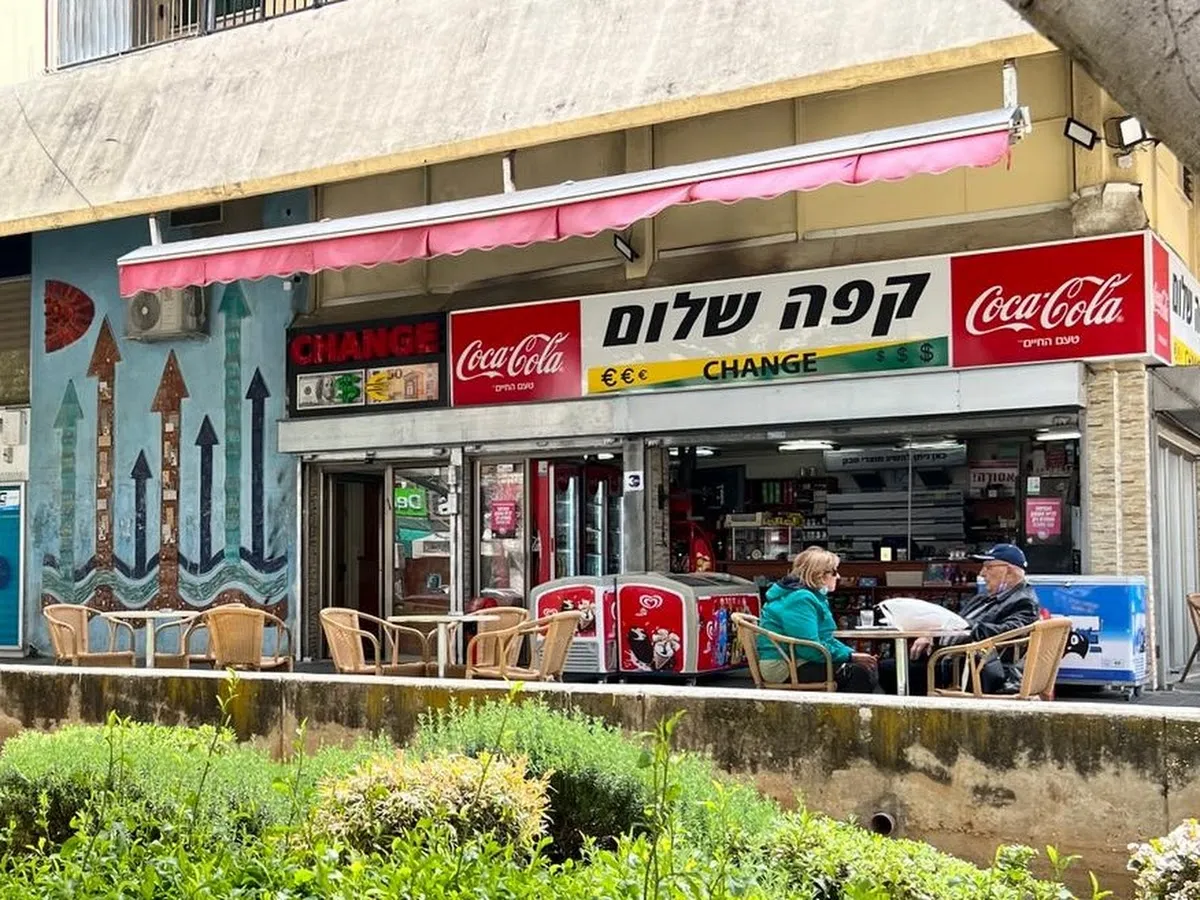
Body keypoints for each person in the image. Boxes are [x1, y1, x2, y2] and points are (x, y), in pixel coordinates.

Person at [878, 543, 1040, 696]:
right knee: (890, 665)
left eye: (988, 567)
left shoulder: (1024, 601)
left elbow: (1011, 632)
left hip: (974, 668)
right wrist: (932, 633)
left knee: (890, 669)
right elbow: (955, 621)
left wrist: (963, 627)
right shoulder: (983, 598)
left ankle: (913, 712)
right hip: (953, 659)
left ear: (1009, 571)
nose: (982, 573)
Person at [757, 547, 878, 692]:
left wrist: (851, 654)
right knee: (858, 674)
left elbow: (825, 639)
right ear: (820, 574)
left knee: (864, 669)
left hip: (797, 659)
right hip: (784, 665)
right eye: (834, 572)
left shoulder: (810, 596)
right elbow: (809, 647)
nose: (838, 576)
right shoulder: (800, 599)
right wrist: (849, 657)